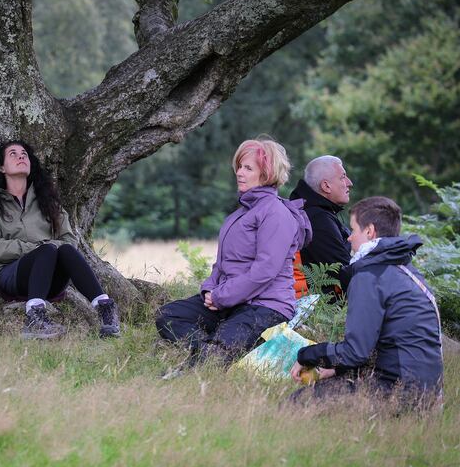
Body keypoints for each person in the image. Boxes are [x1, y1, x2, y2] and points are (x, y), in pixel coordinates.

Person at [156, 136, 312, 368]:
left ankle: (210, 356)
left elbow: (264, 270)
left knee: (217, 355)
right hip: (229, 301)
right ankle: (209, 349)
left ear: (267, 173)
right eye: (239, 166)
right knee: (168, 316)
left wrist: (221, 296)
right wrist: (210, 289)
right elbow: (222, 264)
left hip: (266, 306)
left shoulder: (276, 213)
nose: (239, 172)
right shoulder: (241, 213)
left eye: (248, 168)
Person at [289, 197, 444, 409]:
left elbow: (355, 352)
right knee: (331, 384)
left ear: (369, 231)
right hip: (427, 394)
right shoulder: (404, 270)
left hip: (399, 394)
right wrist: (337, 369)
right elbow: (378, 346)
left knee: (298, 402)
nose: (349, 237)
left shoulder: (370, 276)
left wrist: (306, 356)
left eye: (353, 230)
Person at [0, 140, 120, 340]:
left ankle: (105, 309)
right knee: (47, 250)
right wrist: (36, 248)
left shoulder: (47, 201)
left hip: (51, 277)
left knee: (65, 250)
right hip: (11, 274)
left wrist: (46, 248)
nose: (21, 156)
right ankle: (34, 317)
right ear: (1, 167)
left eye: (24, 154)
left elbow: (69, 239)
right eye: (13, 154)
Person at [289, 155, 353, 293]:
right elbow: (345, 274)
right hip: (316, 303)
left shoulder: (309, 211)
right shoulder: (318, 219)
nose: (349, 183)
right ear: (326, 186)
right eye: (343, 177)